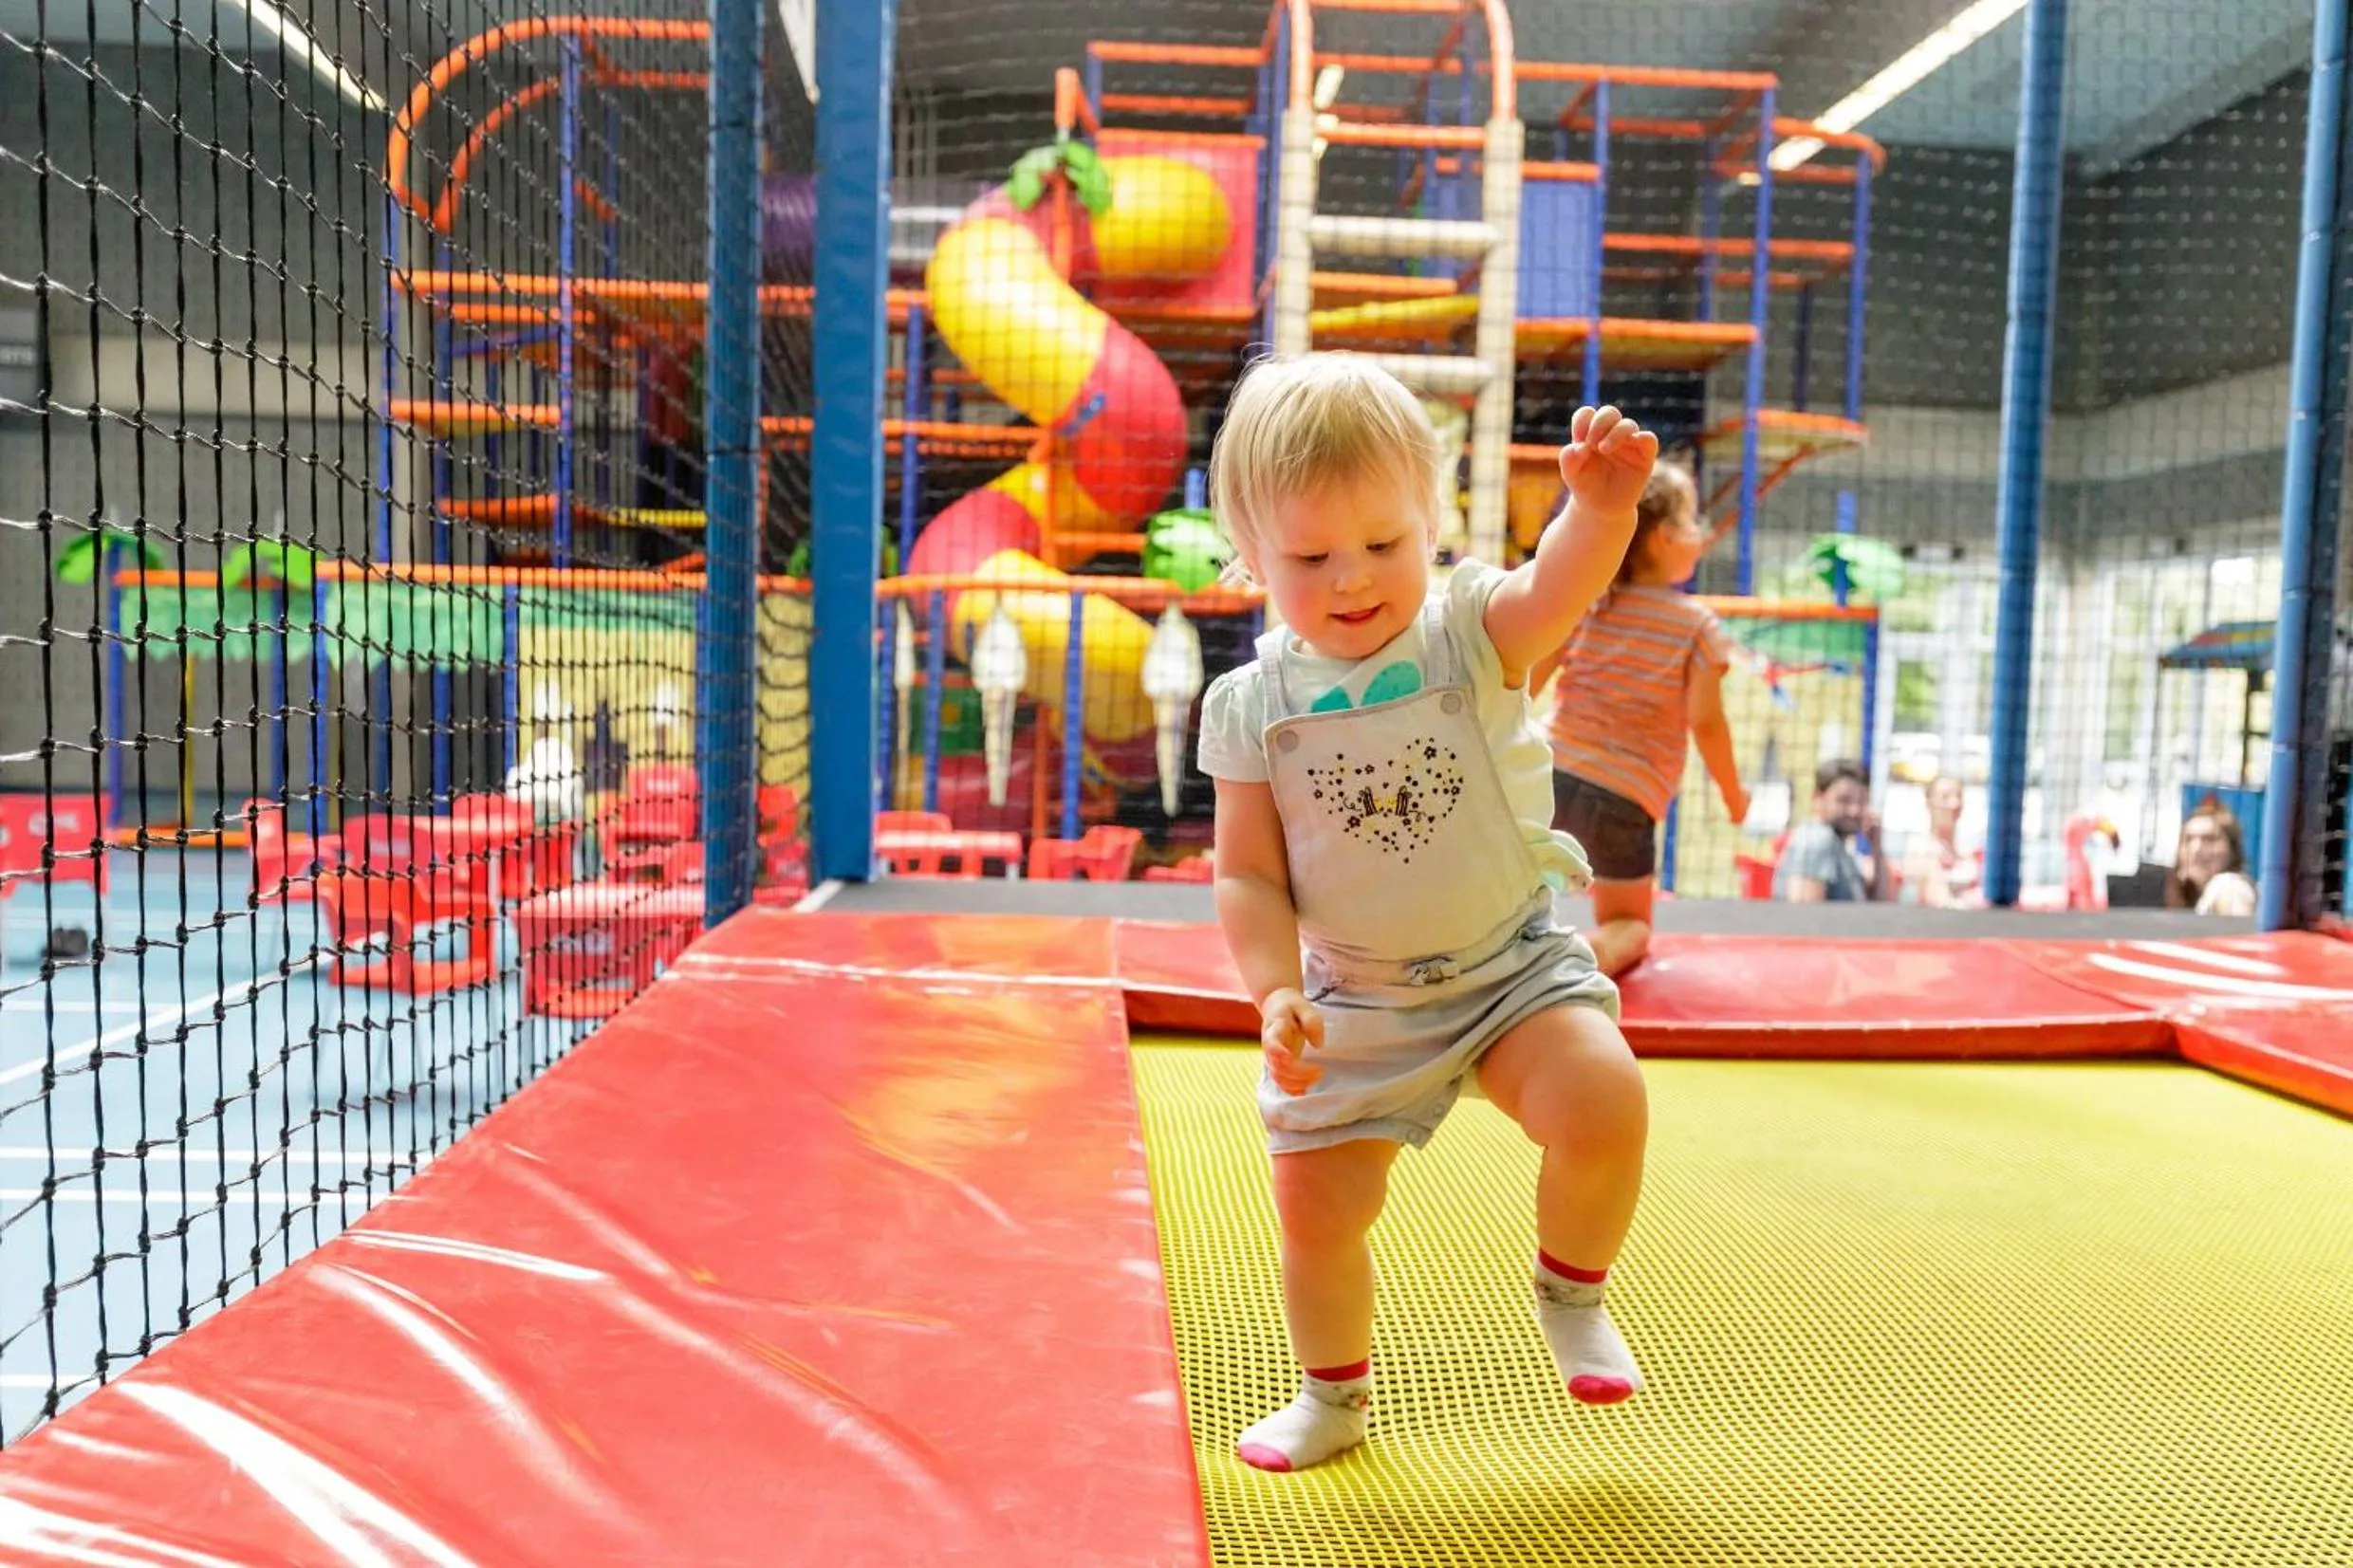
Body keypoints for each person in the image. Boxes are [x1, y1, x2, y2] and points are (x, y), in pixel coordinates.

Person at [1197, 353, 1655, 1474]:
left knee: (1603, 1098)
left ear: (1433, 523)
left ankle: (1569, 1289)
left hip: (1509, 969)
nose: (1352, 579)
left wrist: (1597, 511)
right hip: (1357, 997)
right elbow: (1247, 876)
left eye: (1382, 545)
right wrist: (1274, 992)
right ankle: (1331, 1397)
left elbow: (1556, 589)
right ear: (1249, 558)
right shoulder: (1251, 706)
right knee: (1314, 1210)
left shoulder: (1468, 630)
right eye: (1309, 557)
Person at [1530, 460, 1747, 974]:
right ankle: (1586, 958)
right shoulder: (1695, 626)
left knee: (1510, 898)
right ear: (1663, 539)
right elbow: (1707, 722)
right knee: (1631, 926)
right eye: (1693, 521)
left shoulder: (1588, 605)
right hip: (1623, 799)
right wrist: (1734, 796)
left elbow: (1527, 679)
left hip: (1547, 776)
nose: (1703, 534)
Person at [1773, 757, 1892, 903]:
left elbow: (1880, 903)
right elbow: (1804, 915)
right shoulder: (1816, 839)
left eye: (1862, 801)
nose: (1854, 811)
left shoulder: (1839, 845)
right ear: (1818, 798)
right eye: (1844, 800)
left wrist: (1876, 847)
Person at [1901, 775, 1981, 909]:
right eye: (1945, 797)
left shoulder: (1969, 854)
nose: (1954, 804)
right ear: (1929, 804)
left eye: (1959, 796)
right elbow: (1939, 901)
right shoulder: (1920, 850)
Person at [2168, 800, 2256, 915]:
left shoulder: (2228, 886)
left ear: (2232, 851)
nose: (2196, 850)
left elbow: (2242, 930)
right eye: (2188, 839)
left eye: (2209, 839)